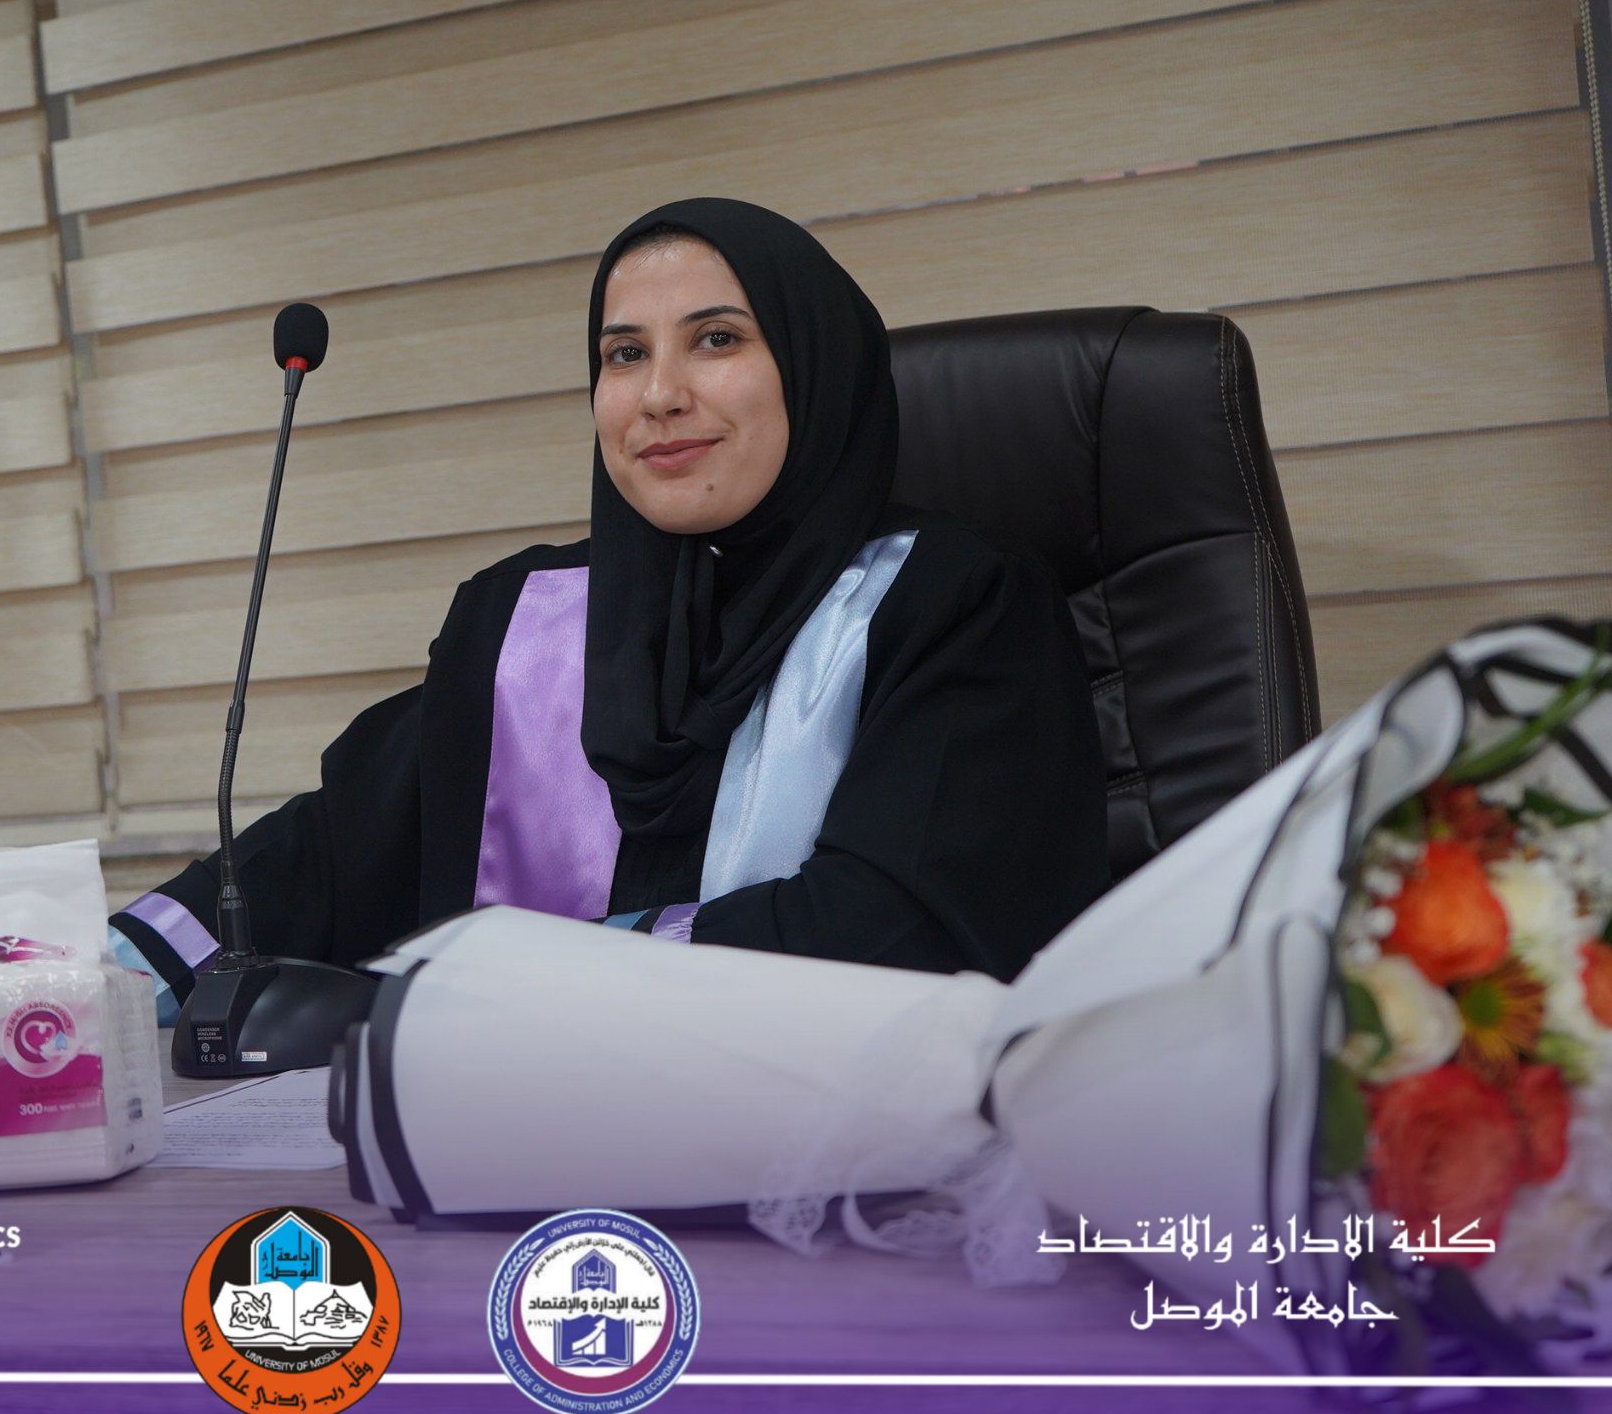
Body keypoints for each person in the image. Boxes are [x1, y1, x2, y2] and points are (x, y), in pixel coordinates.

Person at [108, 198, 1109, 1015]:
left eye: (715, 339)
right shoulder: (528, 618)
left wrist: (511, 983)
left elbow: (899, 927)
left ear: (816, 370)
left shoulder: (952, 602)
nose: (658, 395)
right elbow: (327, 854)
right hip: (522, 1146)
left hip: (832, 1143)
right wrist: (87, 985)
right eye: (624, 354)